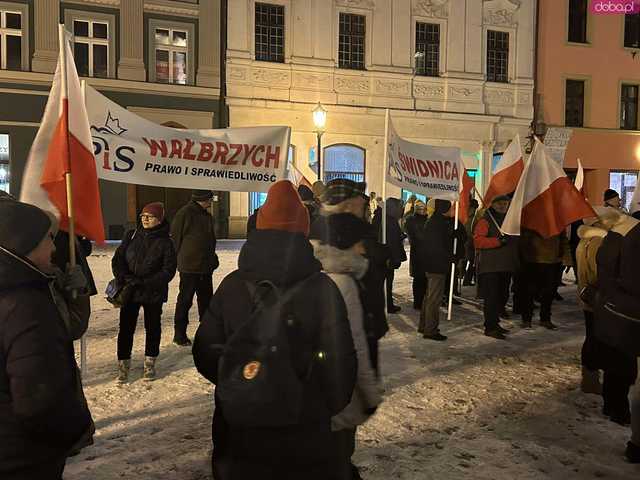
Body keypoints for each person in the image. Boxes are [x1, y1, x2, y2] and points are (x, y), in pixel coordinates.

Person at [192, 180, 357, 479]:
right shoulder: (323, 289)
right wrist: (312, 405)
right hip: (307, 440)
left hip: (240, 438)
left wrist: (242, 381)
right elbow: (341, 369)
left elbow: (205, 352)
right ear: (303, 230)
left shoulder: (232, 286)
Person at [0, 201, 92, 479]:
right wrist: (69, 434)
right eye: (47, 239)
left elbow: (72, 328)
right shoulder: (25, 306)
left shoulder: (31, 289)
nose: (54, 248)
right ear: (24, 244)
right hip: (23, 457)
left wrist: (75, 294)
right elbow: (40, 400)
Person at [310, 213, 383, 479]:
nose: (363, 248)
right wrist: (369, 393)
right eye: (359, 242)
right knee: (338, 453)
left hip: (314, 388)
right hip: (340, 385)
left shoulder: (316, 272)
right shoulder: (343, 281)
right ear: (346, 244)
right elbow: (355, 344)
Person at [313, 178, 390, 374]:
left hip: (361, 327)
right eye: (359, 198)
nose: (364, 202)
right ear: (347, 204)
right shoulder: (347, 231)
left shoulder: (342, 228)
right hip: (352, 332)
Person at [112, 202, 177, 382]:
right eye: (143, 216)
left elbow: (168, 270)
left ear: (160, 219)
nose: (145, 219)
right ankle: (123, 365)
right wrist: (123, 277)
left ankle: (150, 363)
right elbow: (118, 259)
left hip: (152, 292)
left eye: (150, 216)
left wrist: (145, 282)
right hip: (130, 291)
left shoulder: (166, 242)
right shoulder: (131, 235)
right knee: (126, 329)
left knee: (153, 327)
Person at [596, 212, 640, 427]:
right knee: (624, 364)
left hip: (609, 307)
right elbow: (632, 280)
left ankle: (610, 404)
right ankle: (619, 410)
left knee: (614, 360)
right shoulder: (632, 240)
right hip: (626, 312)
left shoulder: (613, 238)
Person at [172, 190, 218, 346]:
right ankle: (179, 334)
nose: (211, 201)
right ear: (202, 199)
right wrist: (179, 259)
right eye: (210, 199)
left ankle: (207, 333)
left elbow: (210, 240)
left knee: (206, 302)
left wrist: (213, 258)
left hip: (205, 266)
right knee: (185, 300)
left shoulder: (206, 215)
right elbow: (176, 238)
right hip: (190, 267)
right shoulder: (185, 213)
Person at [473, 195, 519, 340]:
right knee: (491, 299)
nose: (502, 206)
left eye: (505, 203)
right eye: (499, 203)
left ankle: (496, 323)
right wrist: (497, 242)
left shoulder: (509, 221)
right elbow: (478, 241)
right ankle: (490, 327)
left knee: (501, 297)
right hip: (491, 266)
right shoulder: (485, 220)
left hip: (505, 265)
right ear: (492, 204)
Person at [519, 229, 571, 329]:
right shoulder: (529, 221)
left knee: (549, 292)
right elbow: (521, 241)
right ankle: (526, 319)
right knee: (529, 292)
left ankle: (545, 319)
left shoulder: (556, 221)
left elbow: (563, 240)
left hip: (552, 261)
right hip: (532, 260)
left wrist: (567, 259)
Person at [419, 199, 454, 341]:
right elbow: (438, 246)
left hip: (433, 264)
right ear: (444, 208)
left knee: (429, 297)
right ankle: (430, 330)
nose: (452, 210)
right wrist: (449, 256)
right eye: (450, 208)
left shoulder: (437, 221)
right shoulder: (437, 223)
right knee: (434, 298)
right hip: (436, 265)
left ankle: (425, 325)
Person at [373, 197, 407, 314]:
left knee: (384, 281)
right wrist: (393, 258)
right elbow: (391, 241)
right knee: (387, 281)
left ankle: (386, 303)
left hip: (383, 255)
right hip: (387, 256)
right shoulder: (388, 220)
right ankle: (388, 304)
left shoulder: (383, 217)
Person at [405, 200, 428, 309]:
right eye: (421, 209)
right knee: (419, 279)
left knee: (424, 279)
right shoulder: (411, 220)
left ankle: (422, 301)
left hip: (424, 253)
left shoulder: (427, 219)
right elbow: (415, 237)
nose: (423, 211)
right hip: (418, 253)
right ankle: (418, 302)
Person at [462, 199, 480, 286]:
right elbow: (470, 231)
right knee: (471, 261)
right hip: (469, 242)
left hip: (465, 242)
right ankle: (466, 280)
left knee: (466, 261)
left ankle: (465, 278)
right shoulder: (473, 219)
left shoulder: (466, 216)